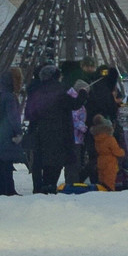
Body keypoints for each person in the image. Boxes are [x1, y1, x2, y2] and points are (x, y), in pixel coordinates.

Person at [24, 63, 87, 194]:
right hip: (59, 132)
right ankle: (50, 185)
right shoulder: (59, 90)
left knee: (42, 160)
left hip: (40, 132)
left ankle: (40, 187)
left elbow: (30, 113)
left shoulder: (37, 91)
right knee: (55, 162)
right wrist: (83, 93)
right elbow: (74, 104)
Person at [0, 67, 25, 196]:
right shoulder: (9, 97)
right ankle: (8, 190)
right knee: (6, 164)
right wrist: (18, 132)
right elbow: (13, 117)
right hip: (6, 135)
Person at [64, 79, 90, 187]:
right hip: (74, 137)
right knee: (73, 163)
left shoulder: (72, 97)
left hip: (77, 137)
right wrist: (83, 127)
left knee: (76, 162)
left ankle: (73, 182)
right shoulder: (73, 100)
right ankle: (72, 183)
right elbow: (73, 118)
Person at [89, 115, 125, 191]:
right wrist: (122, 152)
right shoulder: (110, 139)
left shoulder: (97, 138)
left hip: (100, 160)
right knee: (110, 181)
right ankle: (110, 194)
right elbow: (116, 151)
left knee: (102, 179)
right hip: (110, 161)